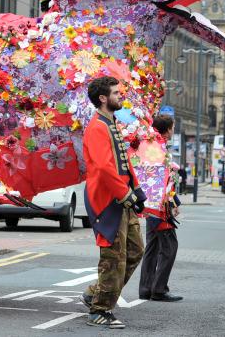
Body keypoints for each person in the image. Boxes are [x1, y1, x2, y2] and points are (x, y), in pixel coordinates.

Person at [78, 76, 145, 329]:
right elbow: (105, 169)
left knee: (136, 250)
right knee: (113, 257)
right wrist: (125, 195)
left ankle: (95, 292)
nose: (121, 95)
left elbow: (123, 162)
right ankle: (100, 309)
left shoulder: (110, 122)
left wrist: (136, 190)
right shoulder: (96, 127)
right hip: (108, 201)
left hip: (122, 198)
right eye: (116, 93)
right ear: (103, 98)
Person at [138, 114, 182, 303]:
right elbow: (162, 182)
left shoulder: (152, 144)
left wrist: (175, 201)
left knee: (153, 246)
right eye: (173, 127)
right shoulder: (158, 147)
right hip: (159, 206)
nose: (174, 130)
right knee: (170, 247)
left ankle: (146, 288)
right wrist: (172, 204)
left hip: (151, 205)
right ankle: (159, 289)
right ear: (168, 129)